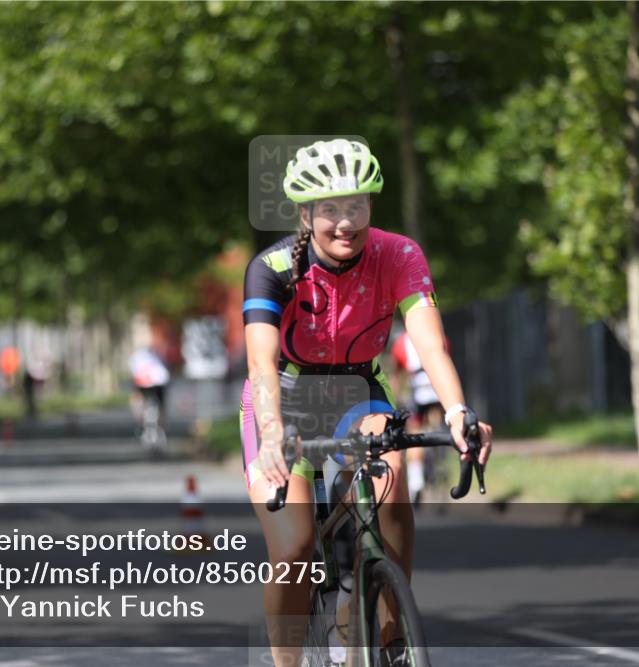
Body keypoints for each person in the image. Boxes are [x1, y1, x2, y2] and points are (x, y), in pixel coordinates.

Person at [241, 138, 493, 666]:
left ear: (371, 206)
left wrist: (455, 411)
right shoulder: (274, 266)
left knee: (392, 478)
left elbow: (429, 343)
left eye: (356, 205)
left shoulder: (399, 254)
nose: (344, 222)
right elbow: (261, 364)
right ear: (306, 214)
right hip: (285, 398)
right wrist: (270, 434)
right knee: (292, 549)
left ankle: (387, 634)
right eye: (330, 210)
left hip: (360, 391)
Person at [389, 331, 450, 504]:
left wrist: (394, 400)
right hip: (436, 392)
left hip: (418, 393)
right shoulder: (441, 337)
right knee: (437, 422)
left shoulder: (400, 343)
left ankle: (416, 483)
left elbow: (397, 375)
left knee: (414, 431)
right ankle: (439, 450)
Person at [128, 345, 171, 429]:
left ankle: (139, 418)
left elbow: (133, 371)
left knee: (137, 398)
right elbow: (166, 372)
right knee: (161, 403)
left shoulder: (137, 357)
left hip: (143, 383)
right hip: (159, 383)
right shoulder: (159, 356)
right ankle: (162, 422)